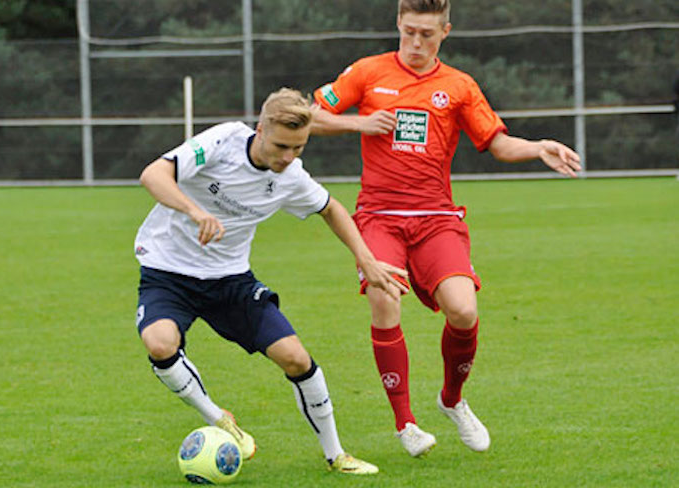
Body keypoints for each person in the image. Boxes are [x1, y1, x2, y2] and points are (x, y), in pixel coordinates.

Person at [311, 0, 582, 457]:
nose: (416, 44)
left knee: (463, 312)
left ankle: (452, 401)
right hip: (379, 216)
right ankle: (406, 424)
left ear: (445, 32)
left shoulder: (458, 86)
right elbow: (310, 115)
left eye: (428, 35)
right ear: (398, 23)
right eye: (410, 32)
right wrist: (359, 121)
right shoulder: (367, 72)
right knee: (383, 298)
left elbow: (495, 142)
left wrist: (537, 148)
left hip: (436, 219)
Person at [134, 87, 408, 474]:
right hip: (167, 272)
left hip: (230, 282)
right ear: (260, 129)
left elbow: (331, 209)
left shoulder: (291, 176)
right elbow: (154, 174)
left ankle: (337, 455)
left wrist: (367, 260)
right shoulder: (224, 140)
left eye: (298, 148)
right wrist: (196, 212)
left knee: (296, 358)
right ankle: (217, 416)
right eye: (281, 145)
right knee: (160, 343)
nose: (287, 157)